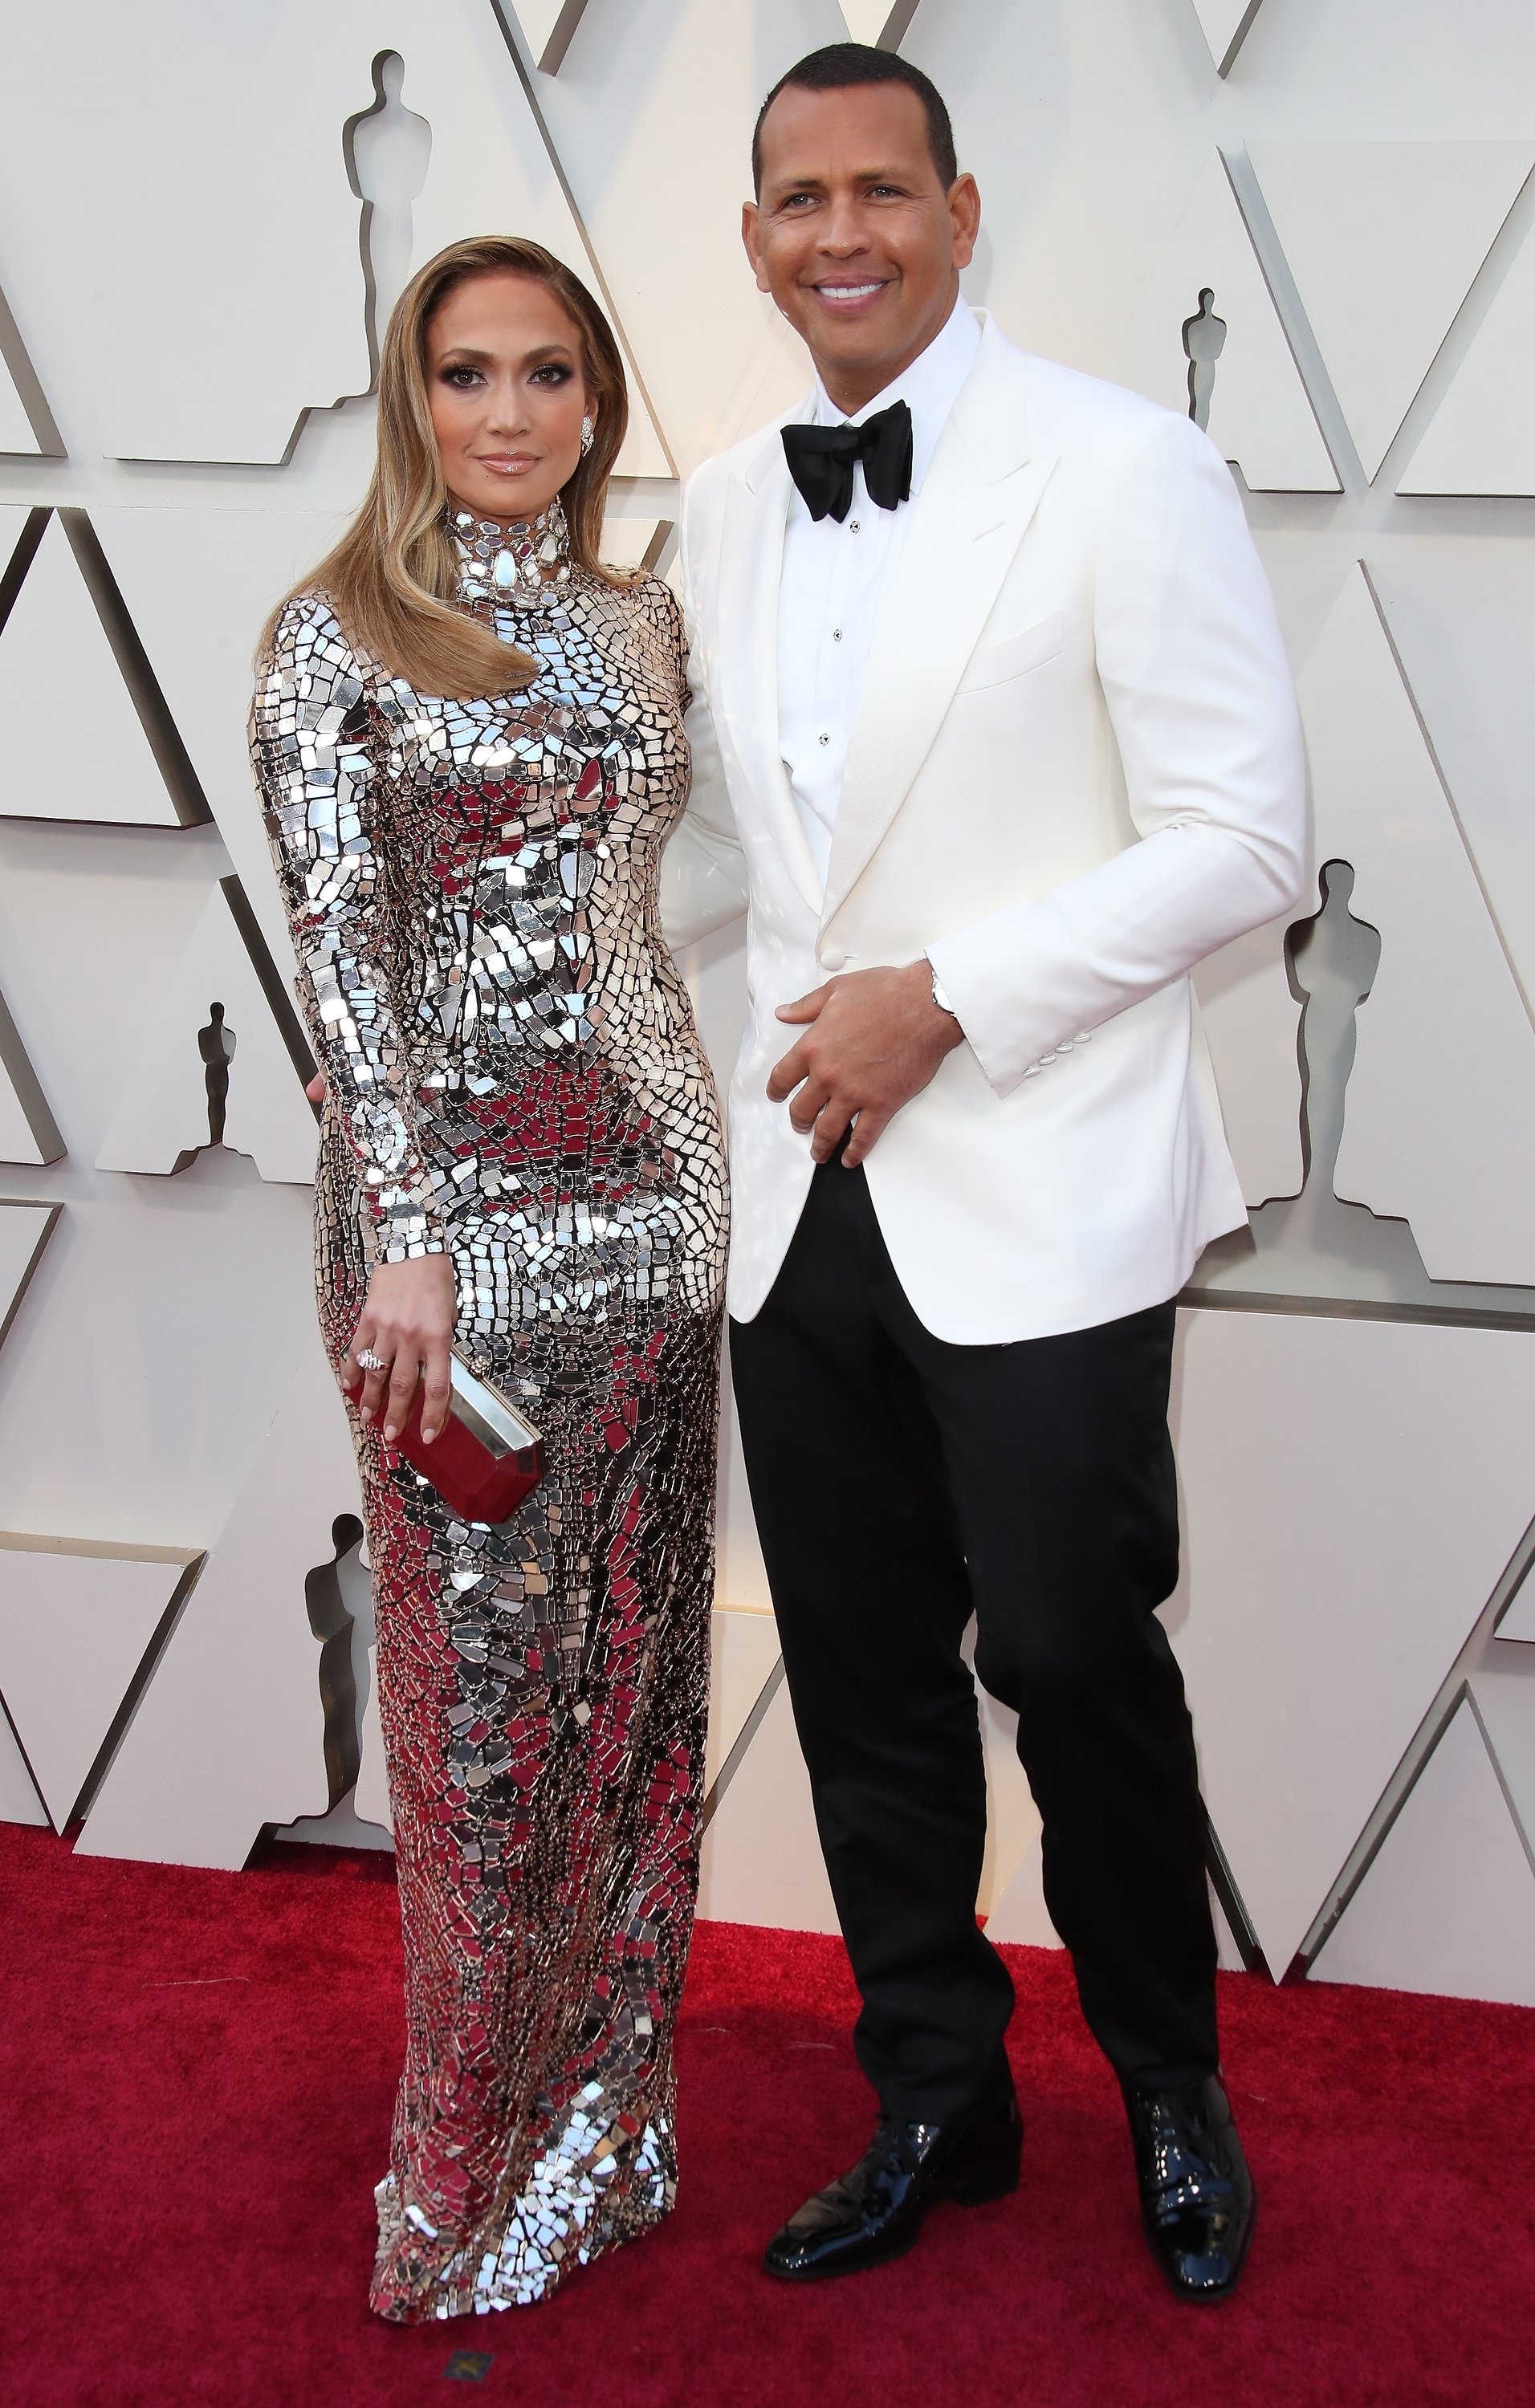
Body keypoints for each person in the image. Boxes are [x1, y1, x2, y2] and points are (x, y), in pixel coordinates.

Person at [661, 44, 1305, 2301]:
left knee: (1067, 1644)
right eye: (798, 198)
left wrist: (951, 992)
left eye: (882, 192)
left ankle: (1164, 2079)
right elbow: (734, 857)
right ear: (754, 238)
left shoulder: (1130, 466)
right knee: (858, 1673)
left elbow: (1244, 842)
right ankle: (937, 2082)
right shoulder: (719, 505)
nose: (842, 233)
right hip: (793, 1185)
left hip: (1038, 1161)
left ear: (956, 210)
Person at [250, 235, 727, 2321]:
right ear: (410, 398)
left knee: (640, 1697)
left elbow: (647, 918)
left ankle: (607, 2132)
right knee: (487, 1731)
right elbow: (341, 961)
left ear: (597, 404)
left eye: (550, 375)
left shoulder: (643, 625)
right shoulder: (335, 634)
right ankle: (456, 2184)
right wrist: (417, 1233)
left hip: (652, 1202)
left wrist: (714, 1188)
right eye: (468, 376)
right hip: (443, 1251)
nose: (511, 414)